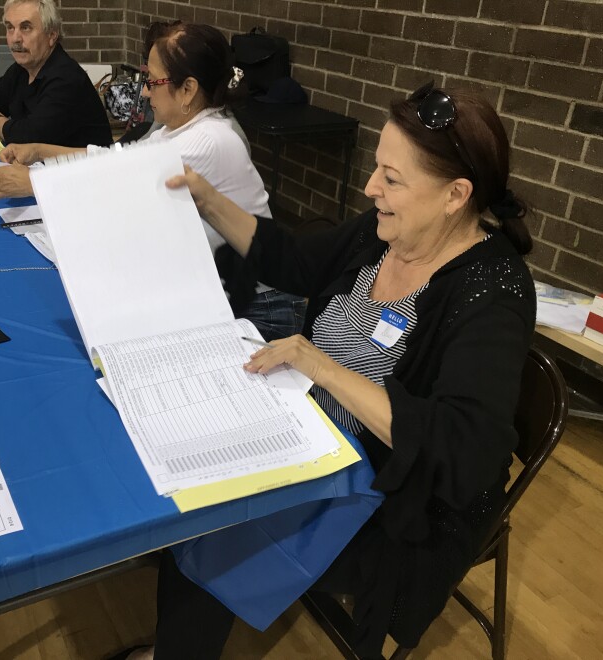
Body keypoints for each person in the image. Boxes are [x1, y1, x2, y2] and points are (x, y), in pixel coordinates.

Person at [114, 83, 537, 660]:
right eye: (375, 170)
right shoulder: (384, 233)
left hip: (391, 504)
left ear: (454, 195)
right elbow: (292, 259)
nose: (371, 188)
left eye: (392, 178)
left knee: (213, 524)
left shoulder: (491, 290)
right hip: (308, 440)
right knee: (186, 472)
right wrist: (206, 198)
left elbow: (463, 449)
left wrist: (320, 364)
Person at [0, 22, 308, 341]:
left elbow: (119, 182)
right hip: (219, 289)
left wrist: (36, 182)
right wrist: (40, 151)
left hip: (261, 310)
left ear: (188, 90)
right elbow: (114, 160)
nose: (147, 90)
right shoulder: (179, 128)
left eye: (152, 80)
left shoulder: (207, 141)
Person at [0, 0, 112, 147]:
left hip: (85, 168)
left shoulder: (66, 78)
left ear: (51, 35)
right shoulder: (22, 70)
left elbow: (31, 137)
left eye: (26, 28)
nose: (15, 38)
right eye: (10, 28)